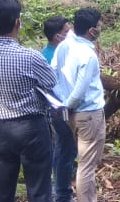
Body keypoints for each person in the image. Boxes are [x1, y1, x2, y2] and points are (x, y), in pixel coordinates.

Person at [0, 0, 56, 202]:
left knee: (1, 188)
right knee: (39, 188)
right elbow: (51, 81)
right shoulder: (30, 56)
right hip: (31, 127)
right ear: (18, 22)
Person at [51, 9, 105, 202]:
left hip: (72, 114)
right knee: (87, 165)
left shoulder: (64, 46)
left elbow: (54, 75)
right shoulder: (88, 55)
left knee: (82, 161)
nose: (101, 28)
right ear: (91, 30)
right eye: (99, 25)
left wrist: (63, 102)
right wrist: (69, 104)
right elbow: (81, 90)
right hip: (88, 113)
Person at [41, 16, 75, 202]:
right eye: (66, 31)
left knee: (64, 148)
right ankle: (62, 193)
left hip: (64, 107)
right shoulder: (49, 56)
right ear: (57, 37)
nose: (70, 34)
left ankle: (61, 189)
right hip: (60, 109)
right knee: (65, 149)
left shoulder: (60, 51)